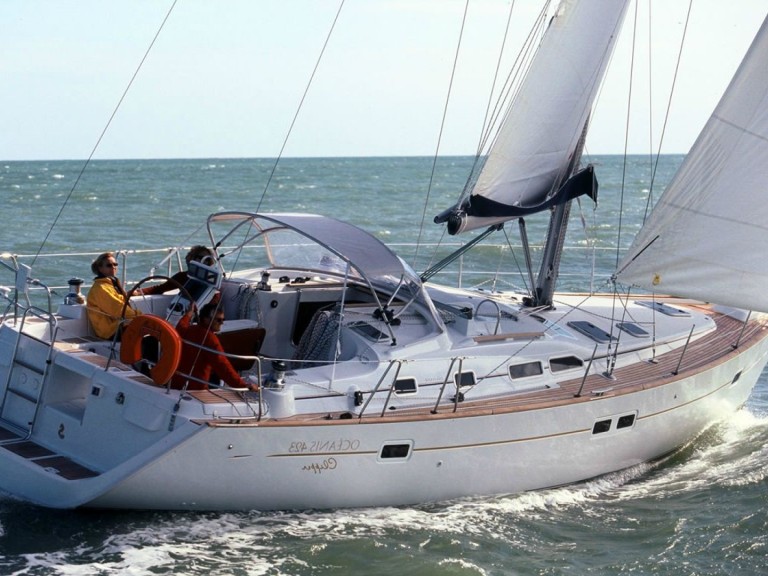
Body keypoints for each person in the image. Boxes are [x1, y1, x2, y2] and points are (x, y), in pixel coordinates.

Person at [171, 302, 259, 392]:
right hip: (196, 389)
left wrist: (189, 313)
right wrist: (242, 385)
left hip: (175, 384)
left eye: (223, 320)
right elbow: (223, 366)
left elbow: (181, 325)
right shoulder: (210, 339)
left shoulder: (188, 329)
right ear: (206, 320)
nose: (222, 323)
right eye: (218, 320)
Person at [86, 252, 142, 339]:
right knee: (148, 332)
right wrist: (139, 316)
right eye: (109, 265)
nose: (113, 267)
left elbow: (117, 301)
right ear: (100, 268)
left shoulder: (110, 284)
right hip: (109, 331)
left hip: (118, 324)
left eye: (115, 264)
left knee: (151, 332)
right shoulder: (101, 288)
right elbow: (118, 309)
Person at [138, 245, 216, 296]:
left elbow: (159, 289)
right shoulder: (184, 277)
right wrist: (138, 292)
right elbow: (160, 288)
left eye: (191, 255)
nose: (187, 257)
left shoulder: (214, 281)